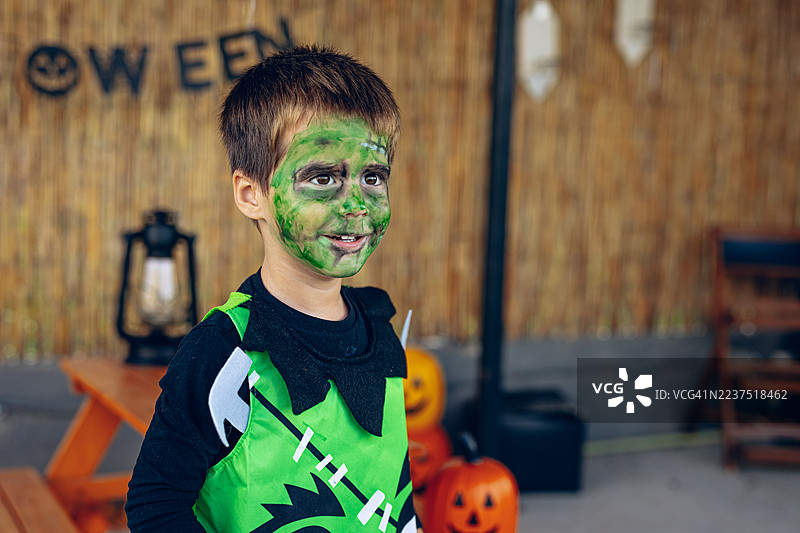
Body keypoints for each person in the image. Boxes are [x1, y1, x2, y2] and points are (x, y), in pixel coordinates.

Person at [126, 44, 418, 532]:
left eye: (373, 177)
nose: (356, 204)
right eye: (323, 177)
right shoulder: (224, 353)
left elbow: (395, 491)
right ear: (252, 194)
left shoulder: (382, 332)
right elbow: (155, 504)